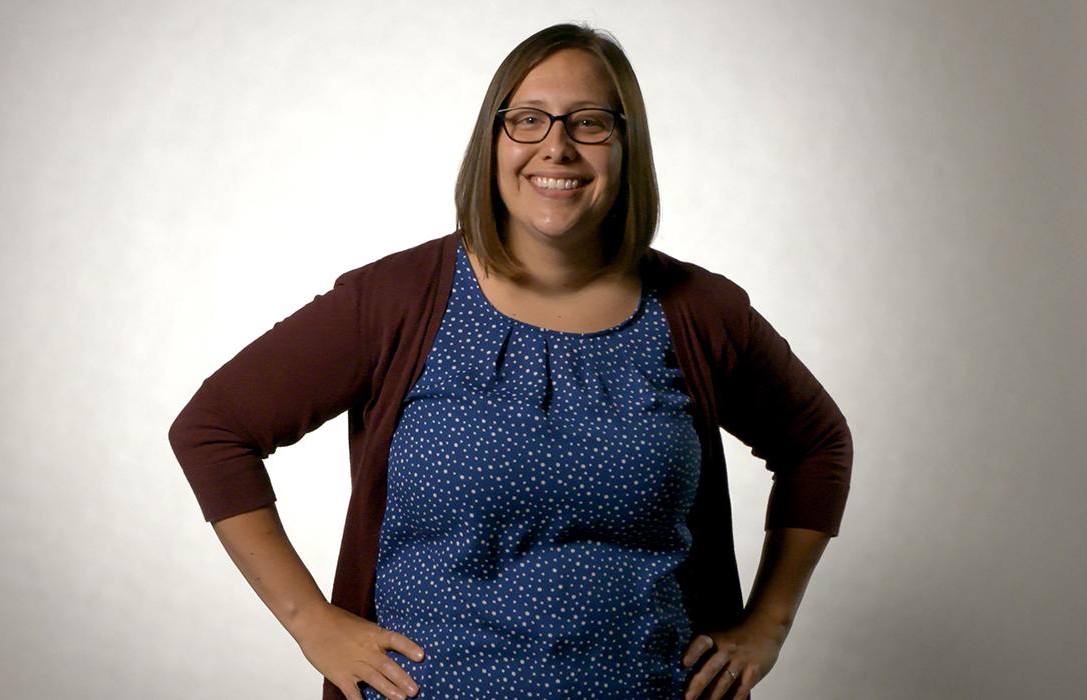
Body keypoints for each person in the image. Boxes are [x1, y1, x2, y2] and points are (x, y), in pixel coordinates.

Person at [168, 22, 852, 700]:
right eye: (528, 119)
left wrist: (770, 622)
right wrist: (309, 622)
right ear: (493, 141)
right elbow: (214, 428)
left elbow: (817, 444)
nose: (556, 146)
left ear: (626, 145)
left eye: (589, 123)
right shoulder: (397, 301)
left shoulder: (699, 312)